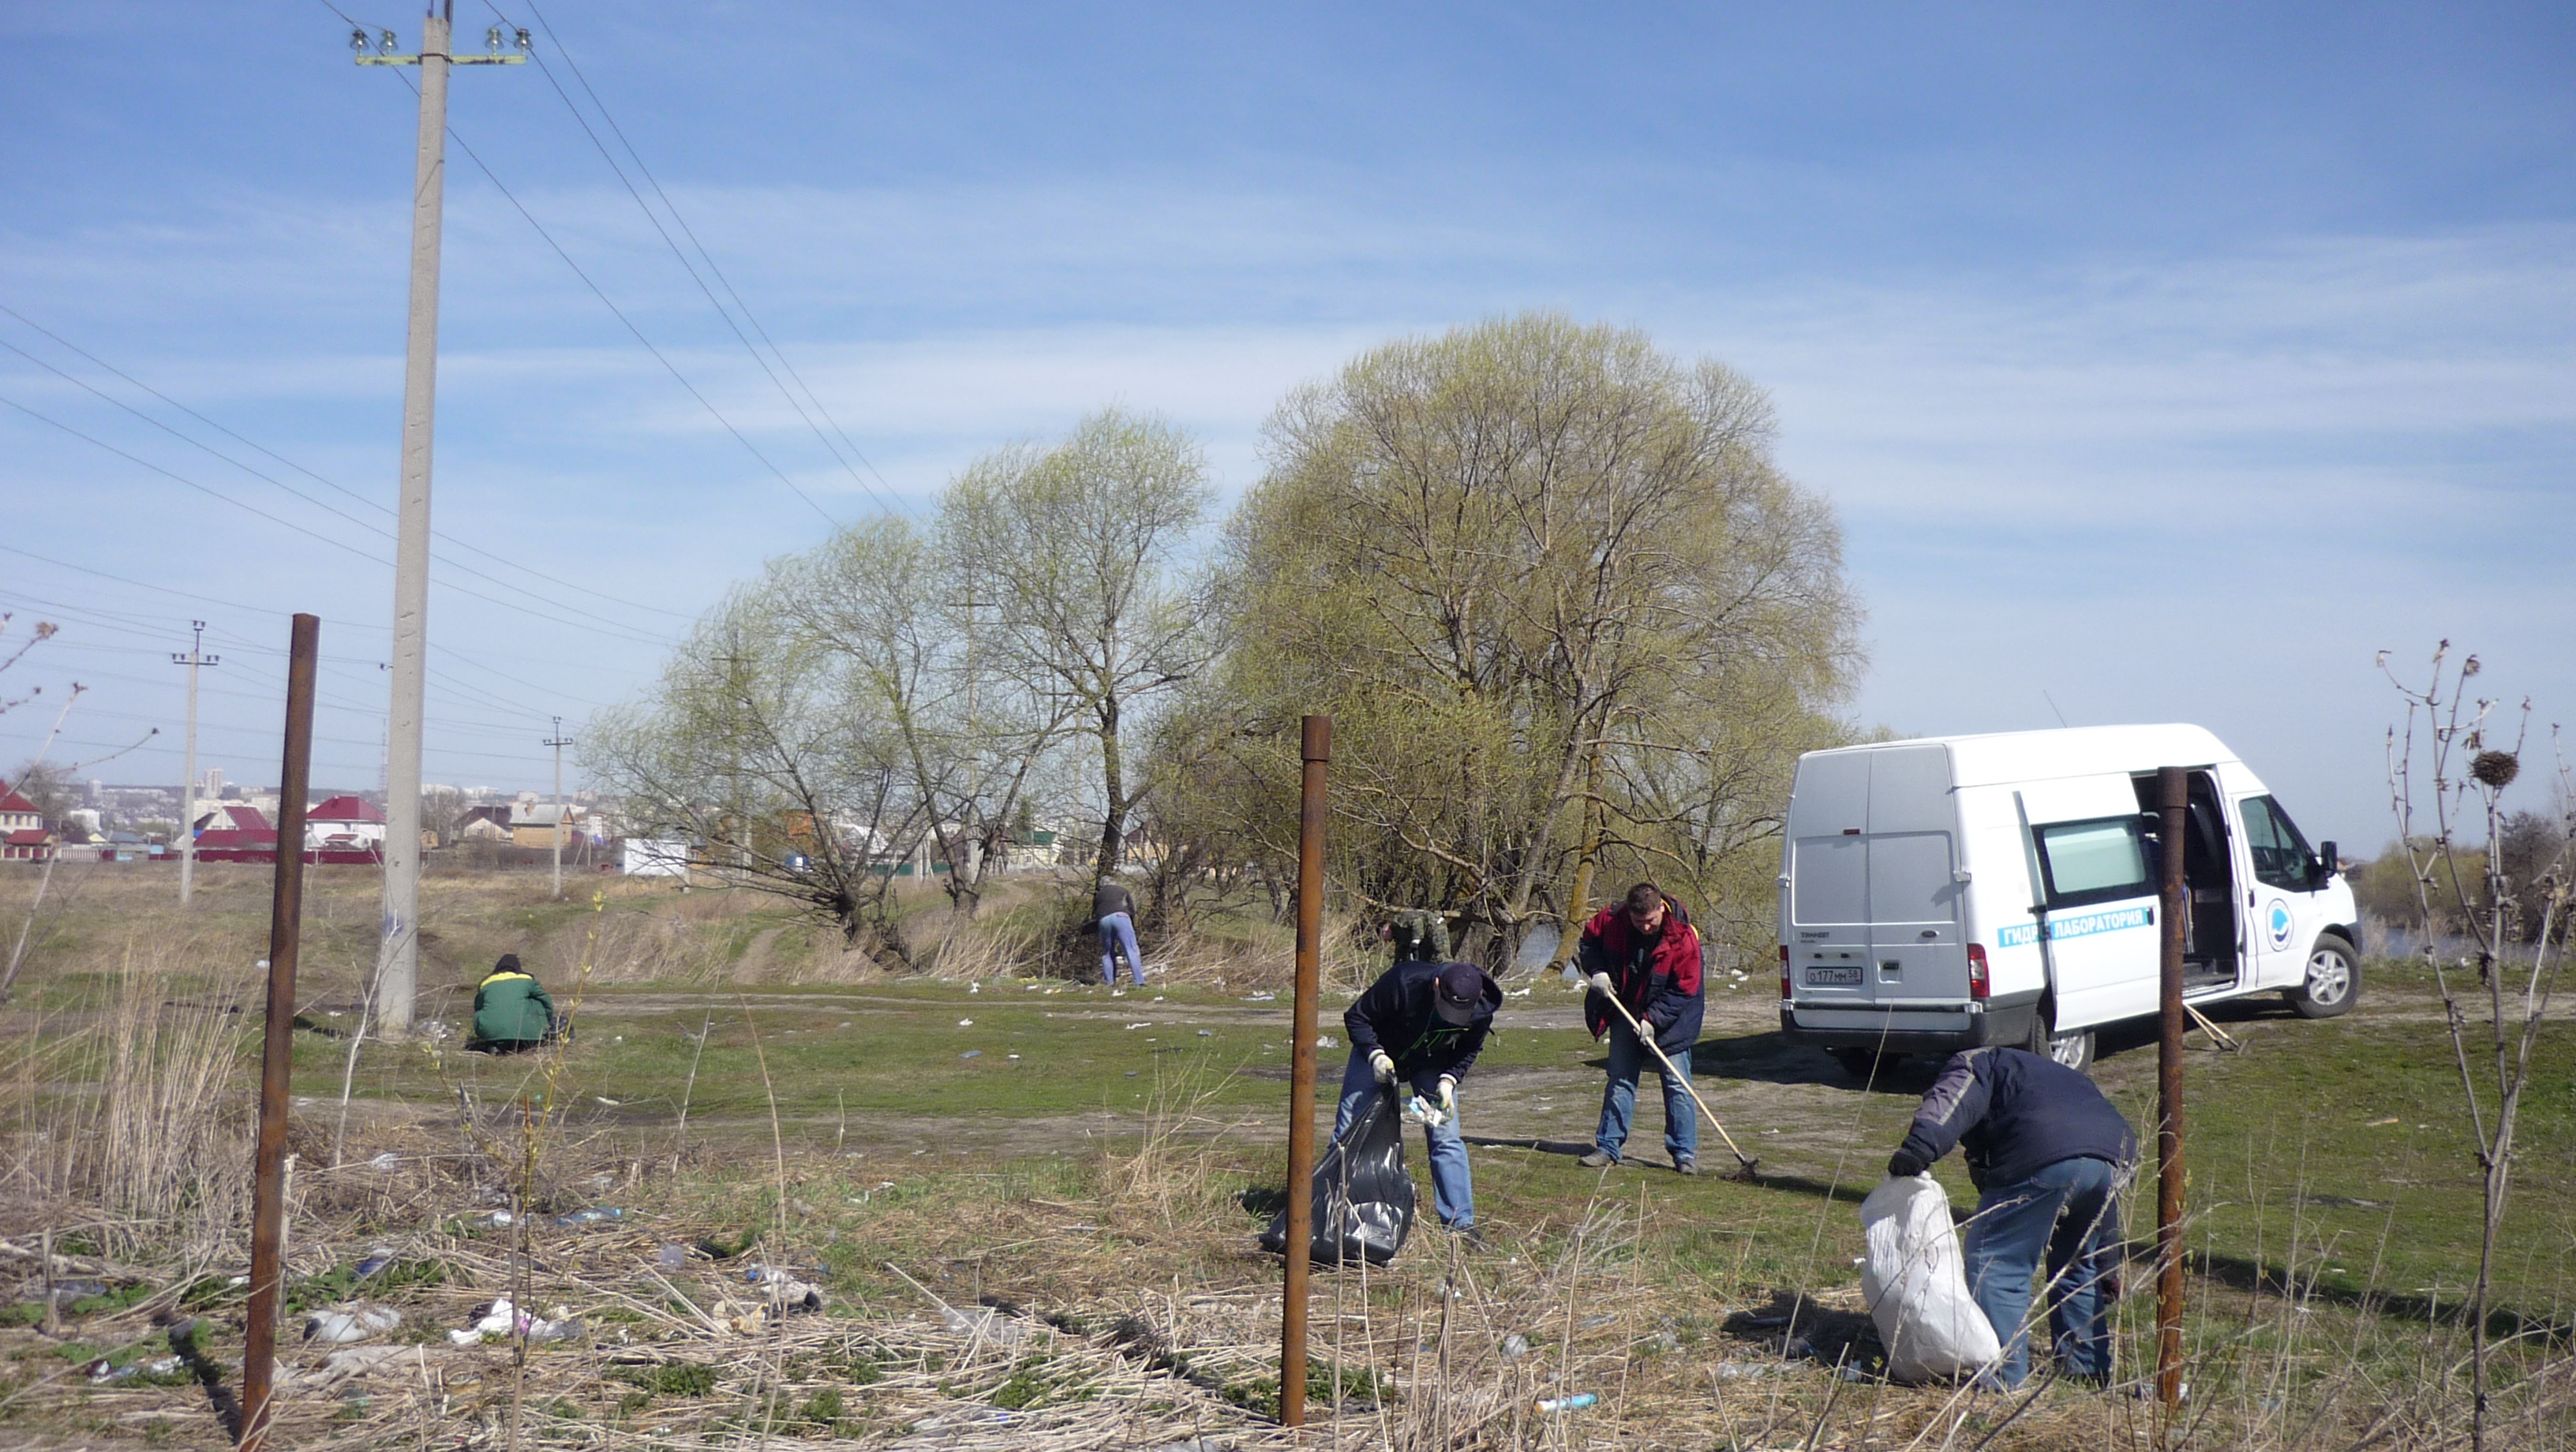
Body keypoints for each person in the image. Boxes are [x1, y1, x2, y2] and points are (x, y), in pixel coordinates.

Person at [1886, 1046, 2137, 1389]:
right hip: (2114, 1156)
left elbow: (1950, 1104)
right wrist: (2107, 1265)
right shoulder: (2061, 1079)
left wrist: (1917, 1150)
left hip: (2042, 1151)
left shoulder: (1977, 1062)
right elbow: (2101, 1209)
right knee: (2079, 1264)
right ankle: (2087, 1370)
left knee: (1997, 1263)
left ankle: (2002, 1377)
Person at [1339, 959, 1503, 1238]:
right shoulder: (1403, 982)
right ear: (1437, 985)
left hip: (1432, 1063)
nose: (1452, 1016)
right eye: (1447, 1007)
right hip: (1379, 1051)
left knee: (1446, 1137)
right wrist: (1375, 1056)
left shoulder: (1481, 1009)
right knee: (1349, 1130)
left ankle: (1460, 1224)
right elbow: (1357, 1016)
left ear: (1479, 996)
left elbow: (1469, 1049)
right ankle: (1336, 1210)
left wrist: (1449, 1081)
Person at [1576, 882, 1706, 1174]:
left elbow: (1684, 990)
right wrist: (1597, 970)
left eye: (1650, 921)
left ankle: (1684, 1153)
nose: (1646, 928)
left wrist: (1653, 1019)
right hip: (1625, 1006)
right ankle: (1608, 1147)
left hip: (1673, 1017)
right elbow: (1589, 943)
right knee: (1620, 1077)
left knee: (1677, 1084)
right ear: (1629, 913)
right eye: (1639, 922)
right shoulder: (1611, 919)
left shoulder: (1683, 937)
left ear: (1661, 908)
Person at [469, 954, 556, 1053]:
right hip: (527, 1031)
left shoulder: (486, 983)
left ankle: (495, 1043)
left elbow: (478, 1007)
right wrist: (545, 1021)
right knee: (535, 1002)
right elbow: (546, 1002)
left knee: (482, 1012)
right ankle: (527, 1041)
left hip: (490, 1032)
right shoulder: (527, 980)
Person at [1092, 877, 1145, 990]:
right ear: (1114, 883)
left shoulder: (1099, 895)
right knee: (1131, 949)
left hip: (1104, 920)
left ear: (1102, 886)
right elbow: (1131, 908)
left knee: (1107, 952)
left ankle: (1110, 982)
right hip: (1121, 917)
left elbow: (1095, 912)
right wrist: (1131, 922)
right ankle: (1139, 982)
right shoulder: (1122, 890)